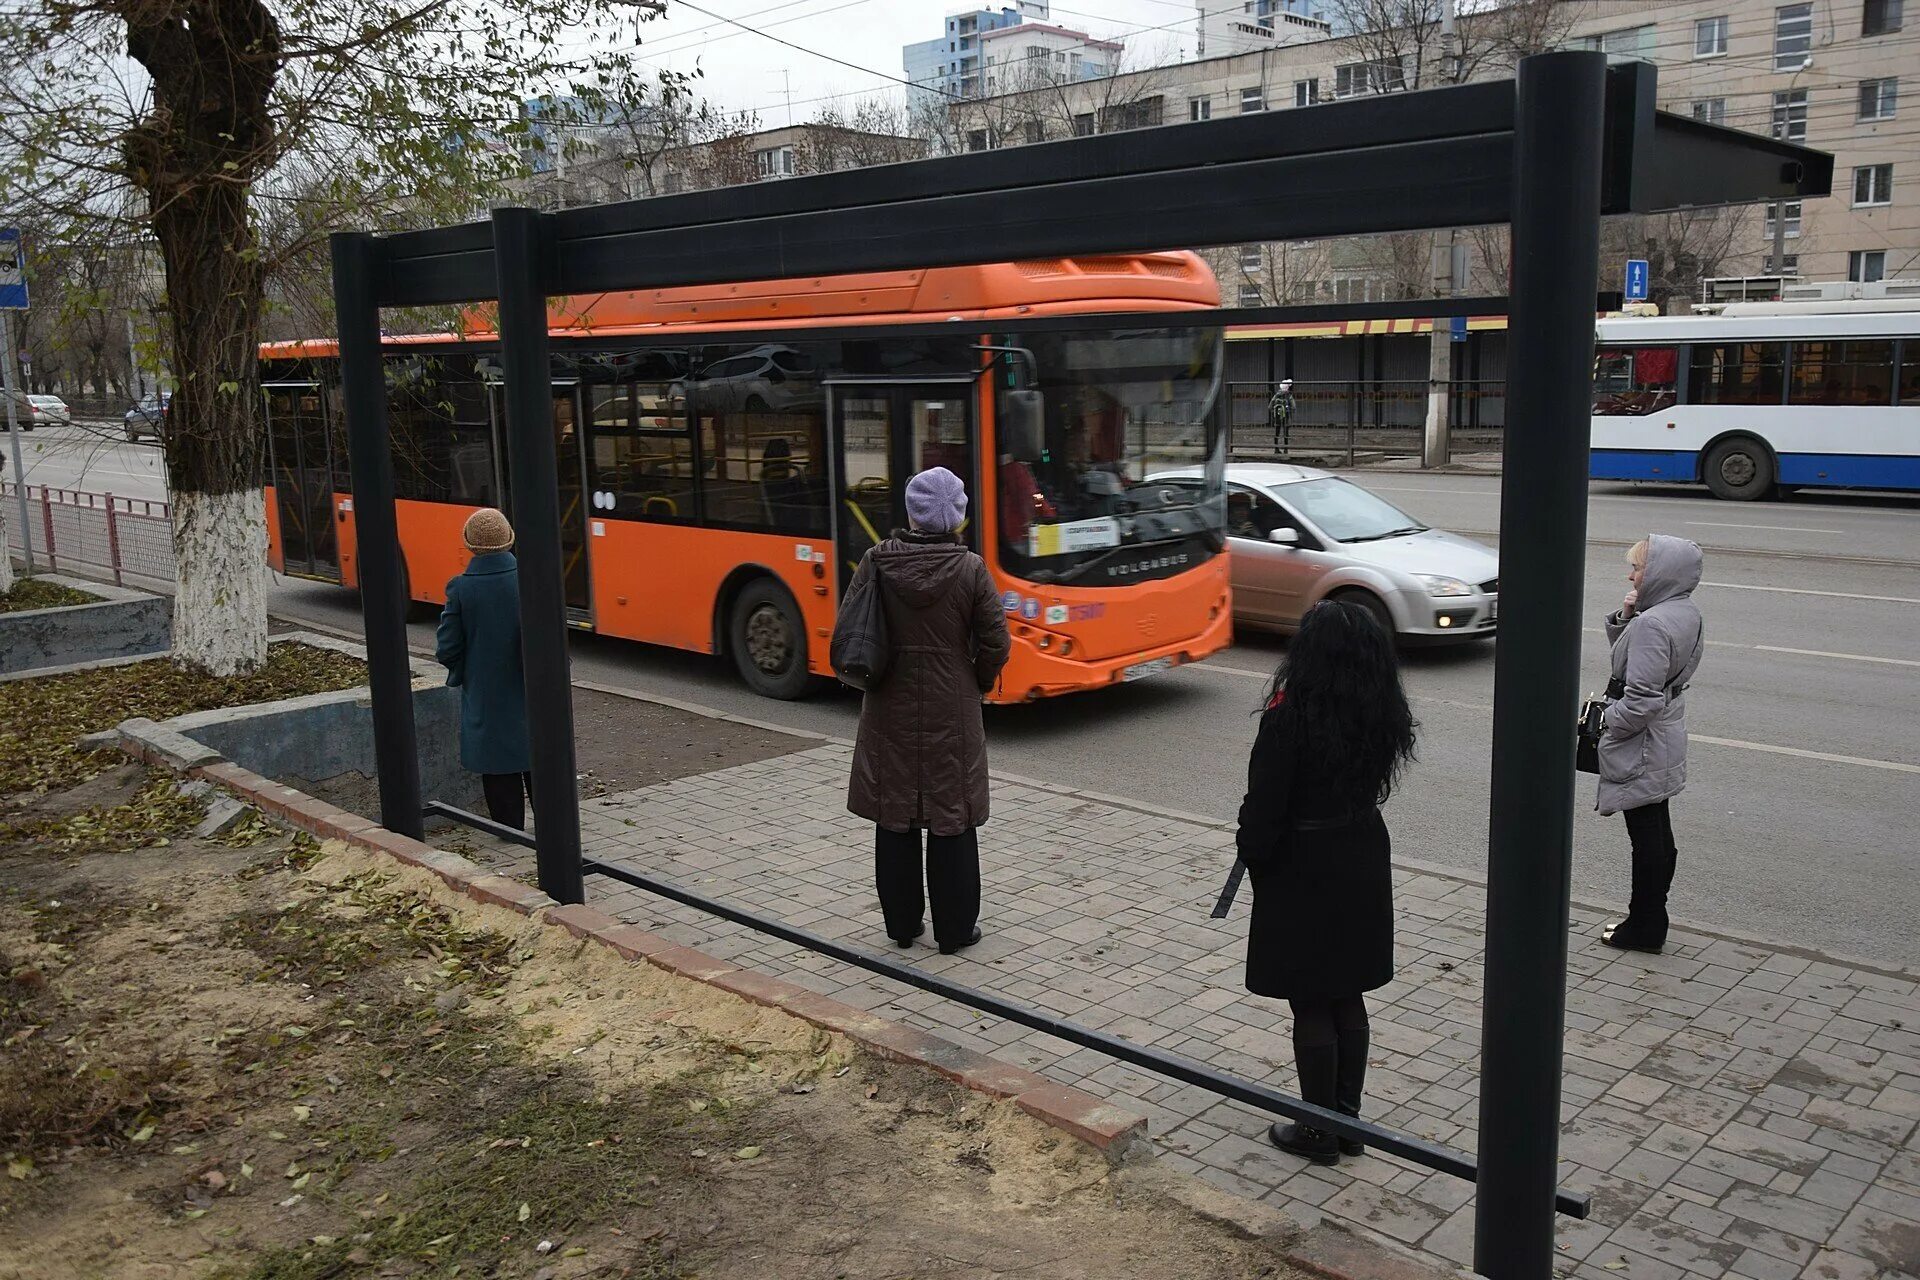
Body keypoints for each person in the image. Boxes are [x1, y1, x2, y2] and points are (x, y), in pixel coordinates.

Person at [1235, 600, 1417, 1165]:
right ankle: (1347, 1122)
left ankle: (1318, 1129)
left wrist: (1255, 857)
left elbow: (1263, 810)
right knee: (1347, 991)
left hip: (1303, 862)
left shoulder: (1288, 719)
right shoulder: (1378, 711)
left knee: (1311, 996)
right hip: (1360, 853)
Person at [843, 467, 1011, 955]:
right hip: (951, 707)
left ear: (912, 512)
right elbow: (997, 641)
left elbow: (851, 626)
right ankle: (956, 931)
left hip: (888, 705)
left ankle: (901, 926)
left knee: (894, 812)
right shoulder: (971, 568)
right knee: (951, 815)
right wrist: (975, 681)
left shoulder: (876, 561)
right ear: (956, 516)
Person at [1596, 535, 1705, 954]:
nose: (1631, 574)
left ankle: (1643, 927)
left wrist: (1607, 724)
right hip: (1666, 732)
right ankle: (1648, 918)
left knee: (1647, 838)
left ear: (1659, 574)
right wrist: (1627, 616)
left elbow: (1640, 697)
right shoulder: (1683, 612)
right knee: (1658, 831)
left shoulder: (1653, 624)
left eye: (1638, 568)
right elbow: (1645, 666)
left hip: (1644, 740)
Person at [434, 508, 533, 830]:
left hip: (487, 690)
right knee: (539, 751)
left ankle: (510, 830)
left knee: (498, 762)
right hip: (535, 687)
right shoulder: (532, 578)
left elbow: (447, 647)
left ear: (469, 545)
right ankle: (552, 824)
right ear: (509, 540)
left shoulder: (461, 588)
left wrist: (469, 671)